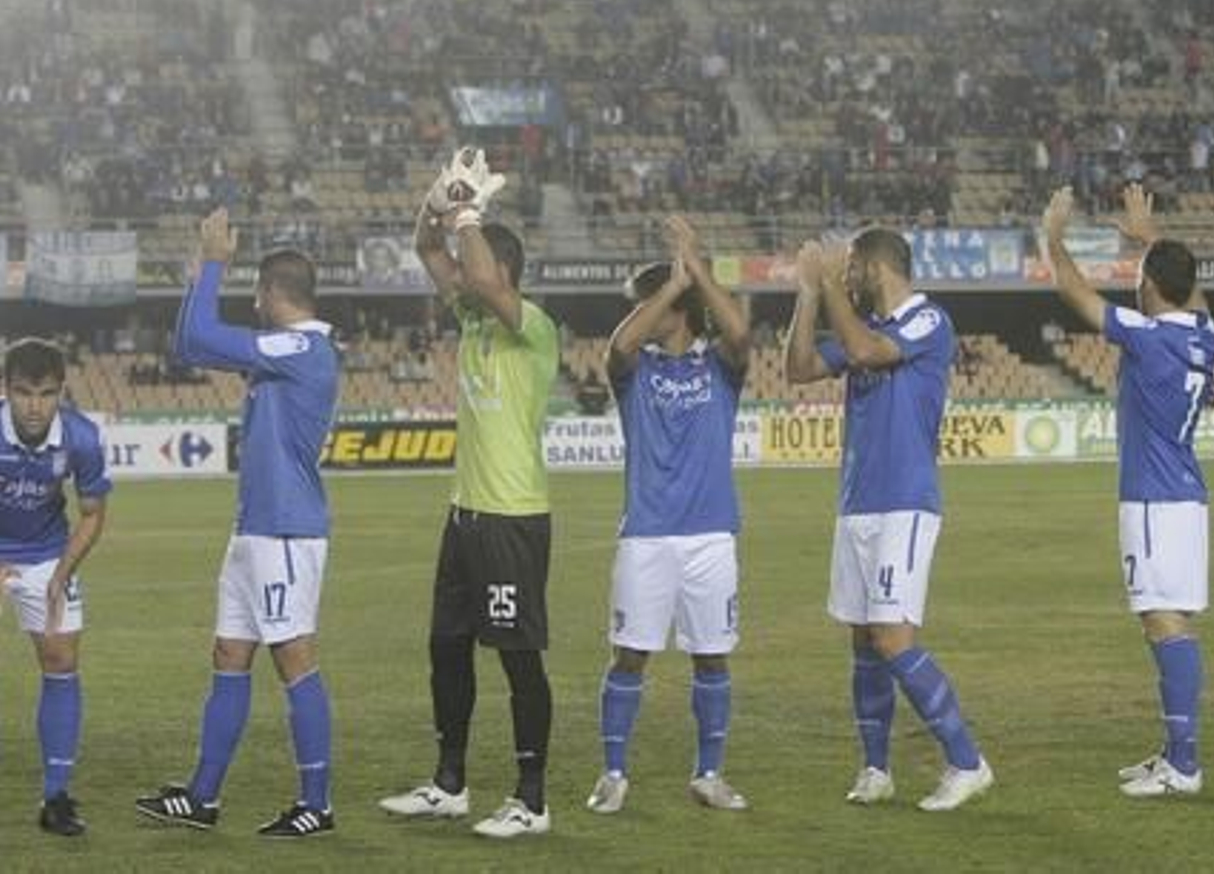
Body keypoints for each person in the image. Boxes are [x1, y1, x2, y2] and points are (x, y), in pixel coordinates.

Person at [135, 207, 340, 837]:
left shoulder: (303, 346)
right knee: (229, 653)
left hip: (284, 529)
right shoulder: (284, 351)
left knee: (294, 657)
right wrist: (201, 274)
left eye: (254, 293)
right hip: (255, 528)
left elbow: (202, 337)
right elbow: (188, 342)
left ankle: (317, 804)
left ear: (272, 293)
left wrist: (214, 260)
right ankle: (203, 796)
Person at [379, 148, 560, 839]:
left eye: (480, 263)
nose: (466, 276)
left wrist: (469, 213)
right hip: (467, 516)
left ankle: (533, 797)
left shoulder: (533, 327)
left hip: (514, 518)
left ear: (505, 272)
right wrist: (438, 198)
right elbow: (426, 243)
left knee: (518, 656)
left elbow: (477, 270)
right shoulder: (475, 321)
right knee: (445, 645)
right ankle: (449, 783)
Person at [784, 228, 993, 812]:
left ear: (876, 267)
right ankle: (876, 769)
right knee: (863, 642)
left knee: (893, 638)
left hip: (905, 501)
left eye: (851, 267)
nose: (846, 276)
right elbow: (799, 368)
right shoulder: (866, 329)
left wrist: (830, 287)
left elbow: (866, 354)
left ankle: (966, 761)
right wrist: (808, 294)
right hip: (858, 503)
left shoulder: (929, 321)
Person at [1041, 185, 1214, 797]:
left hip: (1153, 497)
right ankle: (1174, 752)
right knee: (1170, 618)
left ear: (1148, 286)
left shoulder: (1148, 335)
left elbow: (1074, 294)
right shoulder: (1204, 334)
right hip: (1187, 495)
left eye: (1143, 275)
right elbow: (1185, 286)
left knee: (1162, 621)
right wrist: (1151, 241)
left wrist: (1055, 236)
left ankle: (1185, 765)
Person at [587, 215, 753, 816]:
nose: (641, 313)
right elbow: (619, 346)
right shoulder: (636, 373)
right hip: (648, 537)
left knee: (712, 655)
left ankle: (709, 774)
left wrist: (696, 273)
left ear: (679, 309)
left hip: (711, 535)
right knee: (629, 654)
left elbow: (740, 334)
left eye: (653, 304)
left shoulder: (719, 369)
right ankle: (613, 773)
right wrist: (670, 284)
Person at [0, 338, 111, 836]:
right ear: (5, 390)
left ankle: (56, 798)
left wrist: (63, 572)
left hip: (47, 554)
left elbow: (91, 515)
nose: (34, 406)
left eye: (45, 394)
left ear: (61, 392)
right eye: (23, 393)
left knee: (62, 662)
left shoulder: (81, 437)